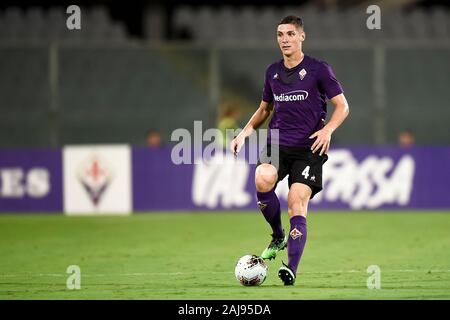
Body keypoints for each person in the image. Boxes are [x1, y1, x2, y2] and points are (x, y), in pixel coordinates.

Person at [230, 16, 350, 285]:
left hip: (310, 147)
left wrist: (328, 129)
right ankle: (277, 235)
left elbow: (342, 106)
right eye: (280, 34)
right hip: (277, 144)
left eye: (290, 34)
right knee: (262, 177)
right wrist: (244, 133)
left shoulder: (319, 69)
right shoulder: (272, 72)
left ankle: (291, 268)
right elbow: (265, 109)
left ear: (301, 37)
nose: (284, 39)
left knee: (297, 200)